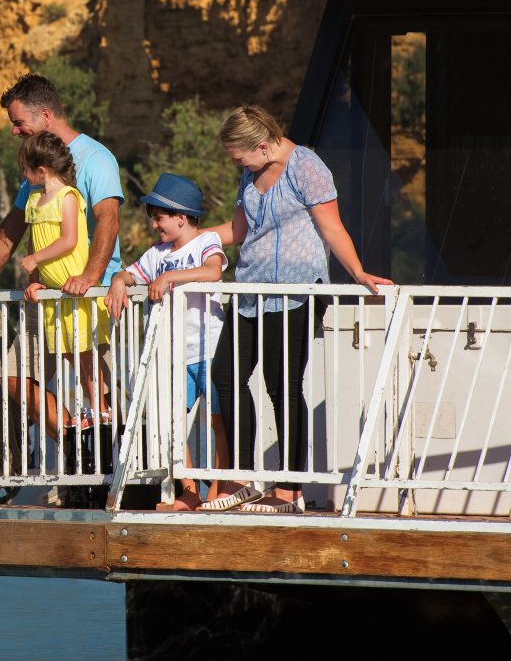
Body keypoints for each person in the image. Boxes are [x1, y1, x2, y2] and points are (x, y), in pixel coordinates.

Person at [200, 106, 392, 515]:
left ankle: (288, 491)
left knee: (280, 384)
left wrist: (357, 272)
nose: (235, 163)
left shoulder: (307, 166)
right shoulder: (251, 172)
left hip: (295, 293)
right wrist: (191, 241)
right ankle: (243, 478)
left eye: (238, 156)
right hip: (250, 291)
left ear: (265, 145)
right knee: (226, 376)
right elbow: (238, 230)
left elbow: (332, 228)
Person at [0, 72, 124, 444]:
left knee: (98, 385)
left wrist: (90, 277)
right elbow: (13, 226)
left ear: (45, 115)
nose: (14, 131)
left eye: (18, 122)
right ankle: (75, 448)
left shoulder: (95, 159)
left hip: (88, 295)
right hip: (43, 294)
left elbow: (109, 220)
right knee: (15, 377)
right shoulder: (36, 166)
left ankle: (112, 463)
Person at [106, 173, 228, 511]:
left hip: (211, 348)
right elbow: (131, 274)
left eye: (159, 217)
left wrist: (169, 277)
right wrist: (118, 280)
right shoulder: (157, 253)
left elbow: (213, 272)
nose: (155, 224)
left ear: (181, 217)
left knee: (220, 420)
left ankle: (220, 487)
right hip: (175, 354)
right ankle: (188, 490)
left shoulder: (206, 241)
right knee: (174, 424)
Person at [16, 131, 103, 427]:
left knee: (83, 353)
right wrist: (35, 278)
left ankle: (99, 409)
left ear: (41, 171)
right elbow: (34, 240)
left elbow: (68, 240)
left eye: (25, 171)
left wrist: (36, 258)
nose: (23, 176)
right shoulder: (34, 199)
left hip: (74, 290)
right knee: (67, 352)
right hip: (54, 292)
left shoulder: (67, 197)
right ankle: (91, 411)